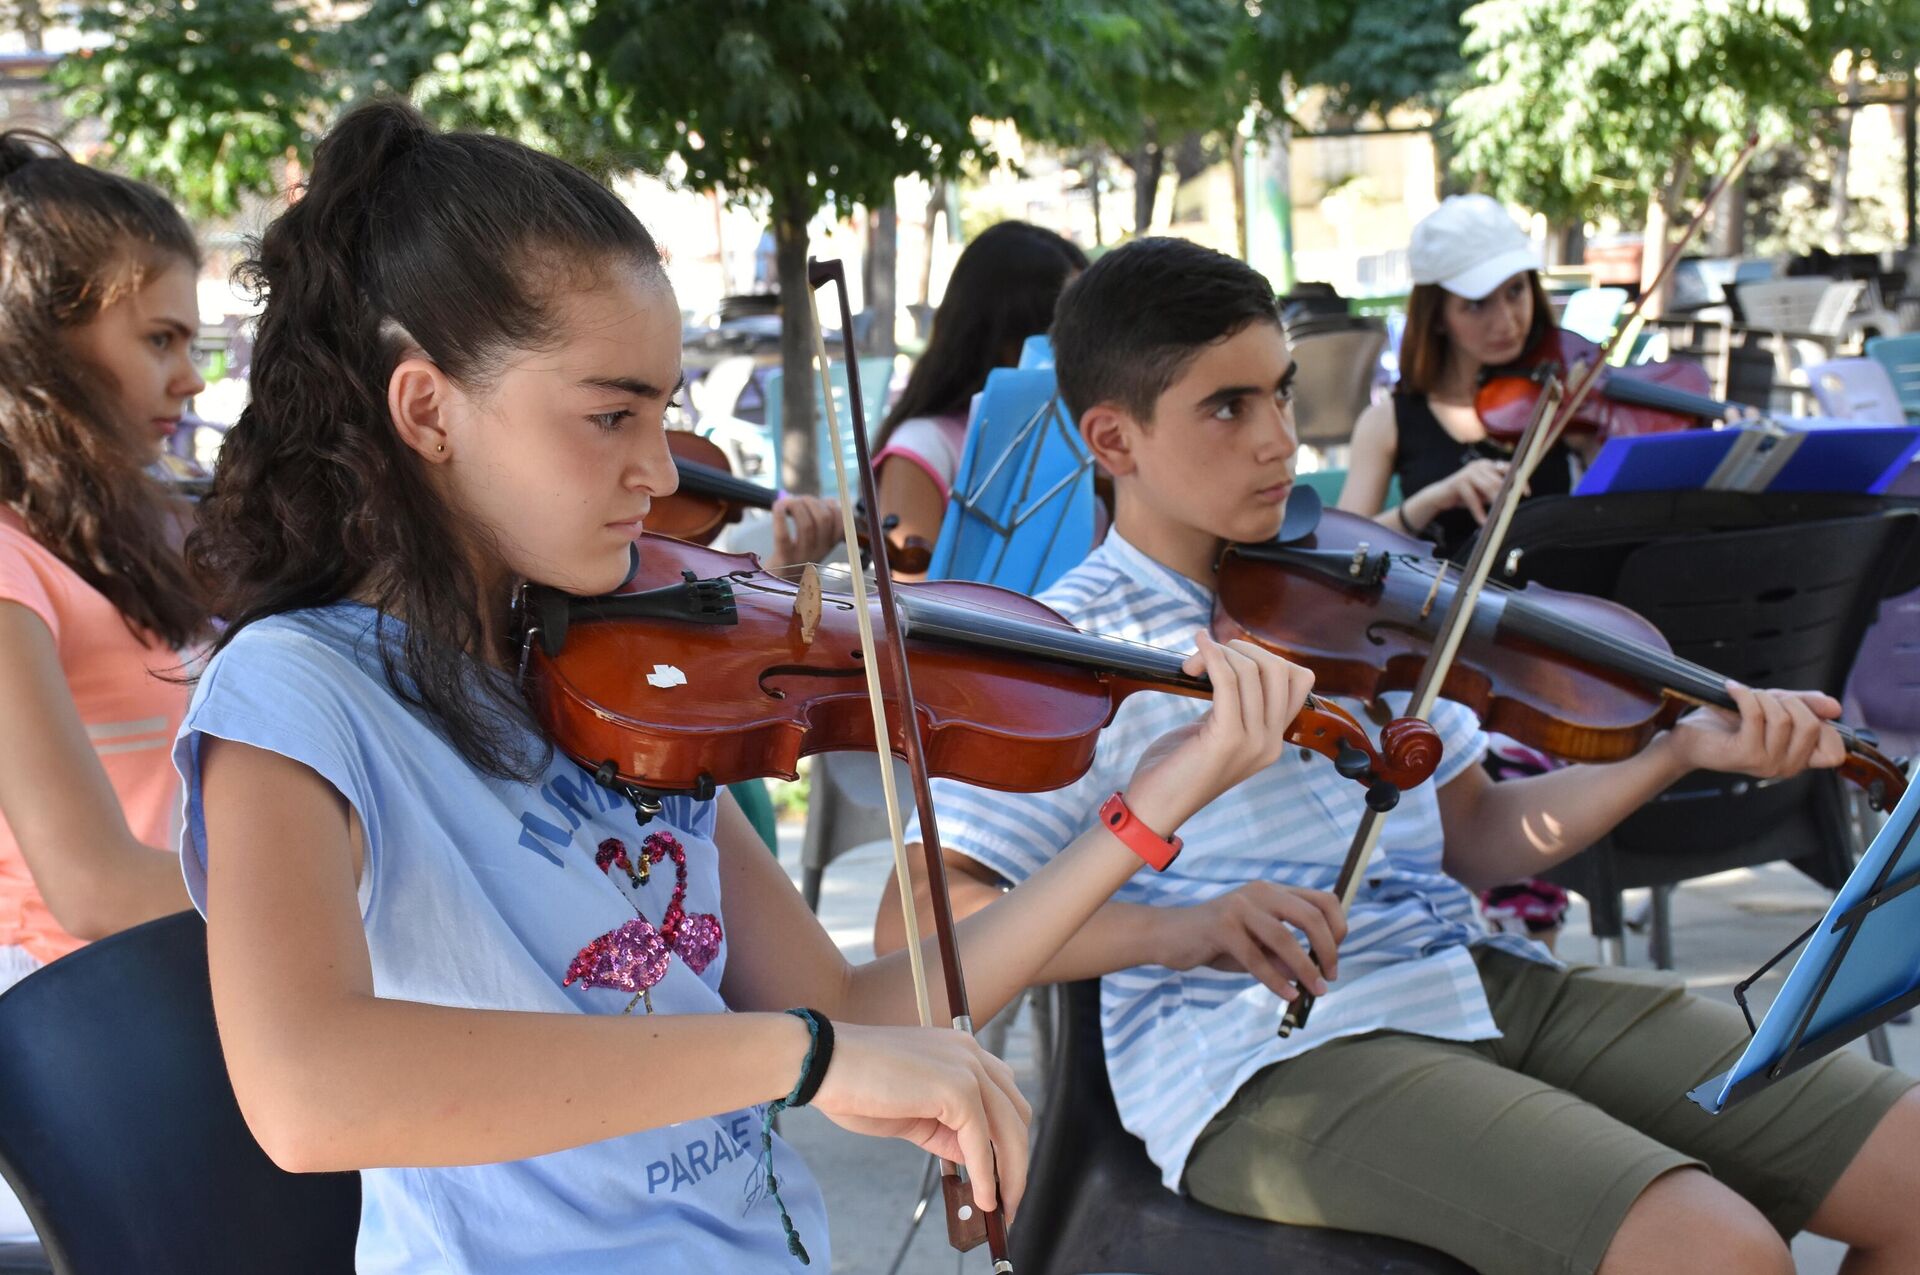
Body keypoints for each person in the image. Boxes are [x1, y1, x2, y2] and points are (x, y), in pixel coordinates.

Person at [179, 101, 1322, 1273]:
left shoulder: (610, 676)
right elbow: (306, 1092)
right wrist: (798, 1057)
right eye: (611, 415)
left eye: (663, 412)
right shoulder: (297, 695)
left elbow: (856, 1007)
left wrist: (1147, 812)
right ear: (428, 409)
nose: (657, 470)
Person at [875, 236, 1920, 1275]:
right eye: (1228, 407)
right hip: (1270, 1051)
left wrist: (1673, 753)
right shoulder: (1066, 646)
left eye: (1282, 393)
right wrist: (1182, 927)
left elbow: (1482, 833)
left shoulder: (1352, 588)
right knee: (1717, 1252)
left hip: (1473, 973)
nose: (1280, 440)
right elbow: (918, 929)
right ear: (1114, 438)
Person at [0, 129, 210, 1242]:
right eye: (159, 338)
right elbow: (85, 882)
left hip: (179, 983)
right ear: (41, 340)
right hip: (77, 1030)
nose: (192, 376)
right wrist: (336, 896)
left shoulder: (130, 529)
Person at [1338, 194, 1579, 561]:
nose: (1506, 321)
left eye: (1516, 290)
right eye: (1477, 304)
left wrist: (1594, 451)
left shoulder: (1563, 395)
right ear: (1437, 317)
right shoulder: (1385, 423)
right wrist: (1431, 501)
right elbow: (1341, 550)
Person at [871, 221, 1086, 575]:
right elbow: (909, 597)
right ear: (1008, 332)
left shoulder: (1075, 431)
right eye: (1067, 328)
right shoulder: (923, 446)